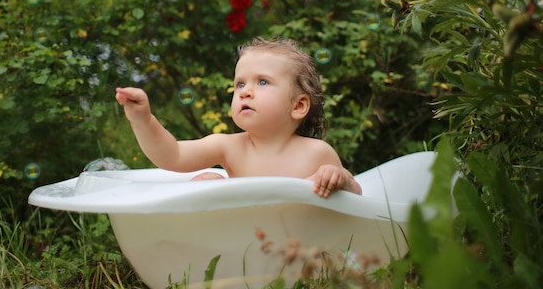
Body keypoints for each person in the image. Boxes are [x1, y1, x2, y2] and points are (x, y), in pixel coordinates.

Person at [115, 37, 362, 197]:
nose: (245, 91)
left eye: (262, 82)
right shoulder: (229, 147)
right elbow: (173, 155)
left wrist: (339, 178)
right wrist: (142, 119)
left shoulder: (316, 153)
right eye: (239, 84)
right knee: (206, 181)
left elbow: (356, 196)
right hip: (245, 237)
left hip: (295, 241)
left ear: (298, 105)